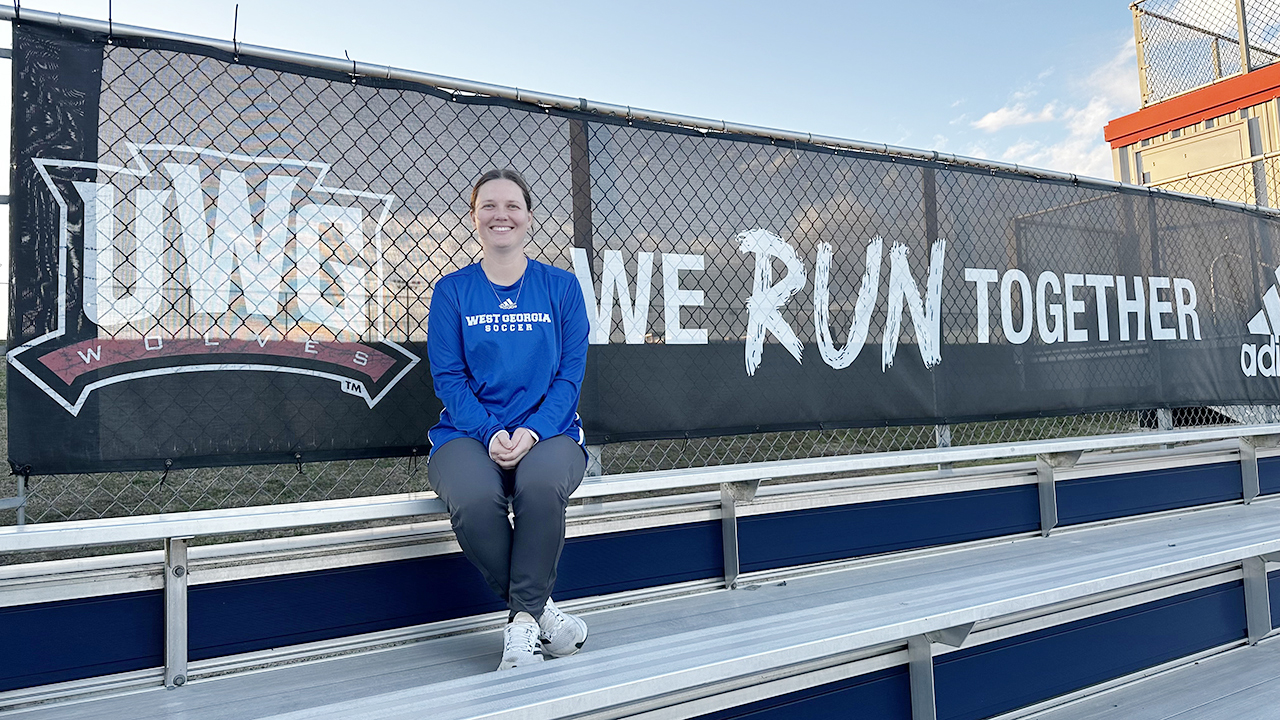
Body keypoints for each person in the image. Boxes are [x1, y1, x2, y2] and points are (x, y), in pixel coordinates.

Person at [426, 168, 591, 671]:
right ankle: (543, 617)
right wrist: (490, 431)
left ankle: (520, 628)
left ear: (529, 218)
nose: (501, 215)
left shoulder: (560, 287)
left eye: (512, 206)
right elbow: (449, 378)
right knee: (474, 499)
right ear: (474, 217)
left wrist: (534, 430)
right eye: (489, 206)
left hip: (550, 430)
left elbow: (570, 376)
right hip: (468, 431)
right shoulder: (452, 291)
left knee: (540, 487)